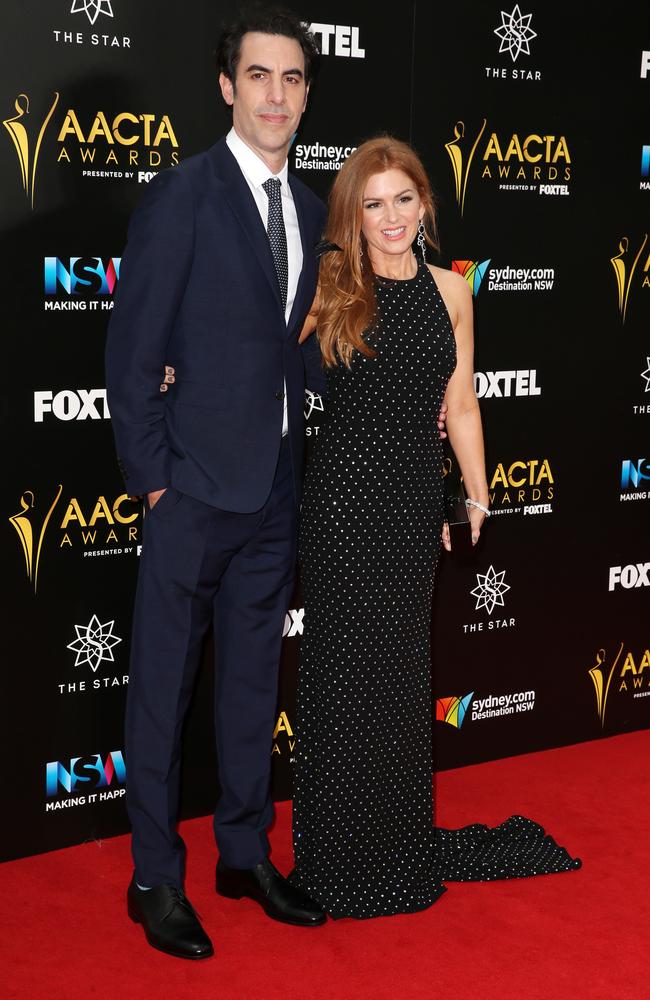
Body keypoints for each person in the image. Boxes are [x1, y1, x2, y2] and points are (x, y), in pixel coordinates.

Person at [287, 136, 581, 919]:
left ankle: (393, 846)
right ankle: (334, 860)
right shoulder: (330, 284)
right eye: (373, 202)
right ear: (353, 211)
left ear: (425, 204)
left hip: (413, 504)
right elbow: (255, 356)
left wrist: (478, 495)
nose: (390, 217)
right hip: (343, 504)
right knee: (340, 680)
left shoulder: (454, 291)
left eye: (403, 199)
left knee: (399, 678)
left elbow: (460, 405)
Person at [105, 6, 331, 960]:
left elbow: (302, 349)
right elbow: (131, 351)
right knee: (161, 694)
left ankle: (244, 853)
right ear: (227, 86)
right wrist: (155, 482)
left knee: (248, 690)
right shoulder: (182, 194)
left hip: (276, 491)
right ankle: (155, 876)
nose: (277, 95)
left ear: (305, 93)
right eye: (260, 76)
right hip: (192, 494)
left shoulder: (316, 210)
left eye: (293, 79)